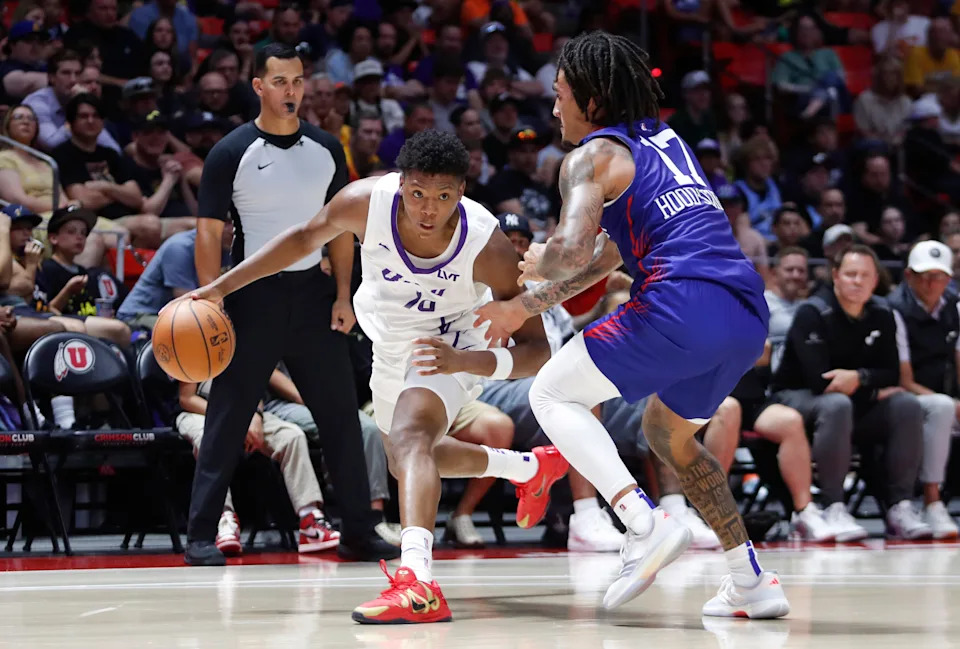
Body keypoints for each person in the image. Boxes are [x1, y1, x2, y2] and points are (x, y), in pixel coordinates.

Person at [191, 126, 565, 625]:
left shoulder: (485, 244)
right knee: (408, 459)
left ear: (462, 192)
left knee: (411, 439)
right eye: (416, 194)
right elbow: (302, 239)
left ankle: (418, 583)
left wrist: (467, 363)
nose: (428, 209)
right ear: (399, 182)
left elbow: (539, 350)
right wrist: (220, 287)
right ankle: (528, 469)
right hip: (391, 344)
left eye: (443, 197)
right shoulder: (363, 202)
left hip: (453, 343)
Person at [474, 31, 790, 618]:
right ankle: (750, 578)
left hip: (681, 303)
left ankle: (640, 521)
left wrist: (543, 258)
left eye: (560, 93)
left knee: (550, 391)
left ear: (592, 99)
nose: (553, 107)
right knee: (668, 434)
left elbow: (570, 251)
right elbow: (614, 253)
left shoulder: (589, 157)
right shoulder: (667, 143)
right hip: (745, 314)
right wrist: (525, 307)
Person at [178, 44, 398, 567]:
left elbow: (343, 228)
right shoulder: (231, 151)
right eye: (279, 81)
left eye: (298, 81)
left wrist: (344, 295)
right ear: (258, 86)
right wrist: (214, 302)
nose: (291, 91)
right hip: (251, 300)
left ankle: (359, 533)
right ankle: (200, 535)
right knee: (228, 420)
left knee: (343, 419)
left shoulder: (325, 148)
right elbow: (208, 235)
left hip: (315, 300)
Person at [771, 245, 932, 540]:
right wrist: (871, 389)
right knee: (836, 404)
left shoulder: (882, 314)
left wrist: (859, 377)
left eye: (864, 276)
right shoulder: (813, 312)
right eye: (850, 274)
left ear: (875, 281)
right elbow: (820, 381)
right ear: (836, 276)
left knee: (906, 405)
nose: (857, 281)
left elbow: (892, 374)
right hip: (795, 397)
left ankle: (900, 506)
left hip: (851, 401)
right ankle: (834, 505)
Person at [888, 241, 960, 538]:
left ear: (949, 278)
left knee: (946, 406)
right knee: (942, 407)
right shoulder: (894, 309)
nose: (932, 283)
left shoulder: (955, 308)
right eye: (924, 276)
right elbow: (903, 379)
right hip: (903, 396)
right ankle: (933, 501)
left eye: (939, 276)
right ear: (909, 276)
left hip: (943, 396)